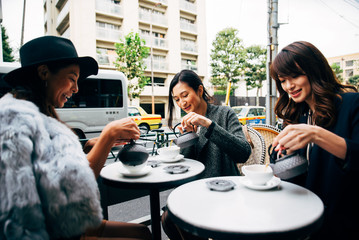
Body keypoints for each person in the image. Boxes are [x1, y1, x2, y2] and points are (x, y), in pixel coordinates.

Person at [0, 36, 151, 240]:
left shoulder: (37, 113)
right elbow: (73, 184)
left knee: (142, 232)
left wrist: (88, 146)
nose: (76, 88)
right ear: (44, 73)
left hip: (67, 222)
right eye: (72, 78)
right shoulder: (14, 121)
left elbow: (52, 170)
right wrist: (108, 135)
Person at [270, 41, 359, 239]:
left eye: (295, 76)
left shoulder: (352, 104)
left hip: (342, 223)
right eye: (283, 80)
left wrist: (317, 134)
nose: (288, 86)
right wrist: (284, 152)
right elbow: (284, 167)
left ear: (314, 69)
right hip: (304, 218)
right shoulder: (298, 113)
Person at [161, 69, 252, 240]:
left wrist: (209, 125)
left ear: (200, 91)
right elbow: (186, 166)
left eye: (185, 95)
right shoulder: (186, 123)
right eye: (177, 99)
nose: (182, 103)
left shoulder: (224, 114)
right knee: (169, 219)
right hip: (196, 192)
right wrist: (188, 137)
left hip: (225, 189)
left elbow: (243, 153)